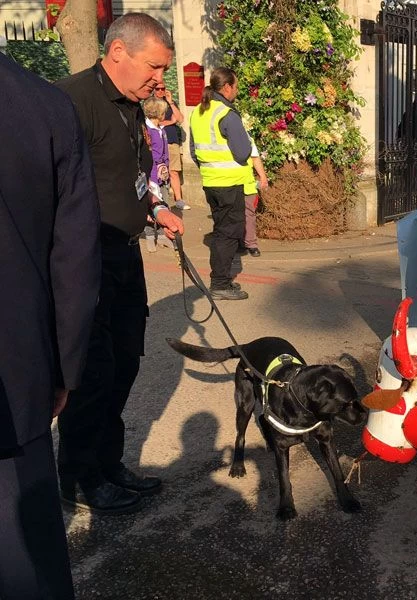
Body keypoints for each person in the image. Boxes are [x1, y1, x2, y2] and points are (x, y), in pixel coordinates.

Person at [55, 12, 184, 515]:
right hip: (85, 264)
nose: (160, 78)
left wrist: (156, 208)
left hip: (126, 259)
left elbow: (128, 177)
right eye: (154, 66)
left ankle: (108, 465)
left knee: (125, 366)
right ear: (117, 53)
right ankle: (79, 480)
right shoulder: (70, 102)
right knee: (92, 376)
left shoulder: (134, 105)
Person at [0, 52, 100, 600]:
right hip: (19, 374)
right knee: (26, 552)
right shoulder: (44, 104)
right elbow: (75, 261)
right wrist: (63, 368)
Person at [189, 66, 252, 300]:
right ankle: (220, 284)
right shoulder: (226, 113)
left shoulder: (199, 111)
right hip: (229, 183)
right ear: (226, 87)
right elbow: (243, 151)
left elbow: (194, 151)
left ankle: (221, 280)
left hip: (210, 181)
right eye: (235, 86)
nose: (236, 91)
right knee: (228, 233)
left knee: (220, 230)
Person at [142, 95, 174, 251]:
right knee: (150, 205)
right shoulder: (147, 130)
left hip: (163, 175)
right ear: (158, 113)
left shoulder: (161, 129)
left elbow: (165, 153)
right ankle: (149, 235)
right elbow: (148, 155)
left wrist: (166, 168)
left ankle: (162, 235)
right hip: (152, 174)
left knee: (164, 204)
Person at [153, 83, 189, 209]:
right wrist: (170, 122)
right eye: (158, 89)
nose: (161, 91)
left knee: (173, 171)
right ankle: (160, 200)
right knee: (160, 171)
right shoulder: (150, 103)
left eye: (163, 88)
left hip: (172, 141)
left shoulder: (169, 103)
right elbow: (154, 122)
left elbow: (180, 119)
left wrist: (171, 102)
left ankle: (179, 200)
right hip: (158, 141)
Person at [243, 138, 269, 257]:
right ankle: (237, 242)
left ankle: (251, 244)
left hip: (246, 183)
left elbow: (254, 157)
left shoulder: (246, 137)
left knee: (249, 215)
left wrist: (262, 176)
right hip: (227, 184)